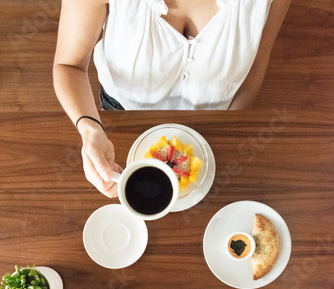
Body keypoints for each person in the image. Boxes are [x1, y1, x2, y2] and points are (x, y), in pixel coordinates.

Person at [53, 0, 291, 198]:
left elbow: (254, 71)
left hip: (217, 126)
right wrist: (90, 130)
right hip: (119, 121)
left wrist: (227, 135)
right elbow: (69, 65)